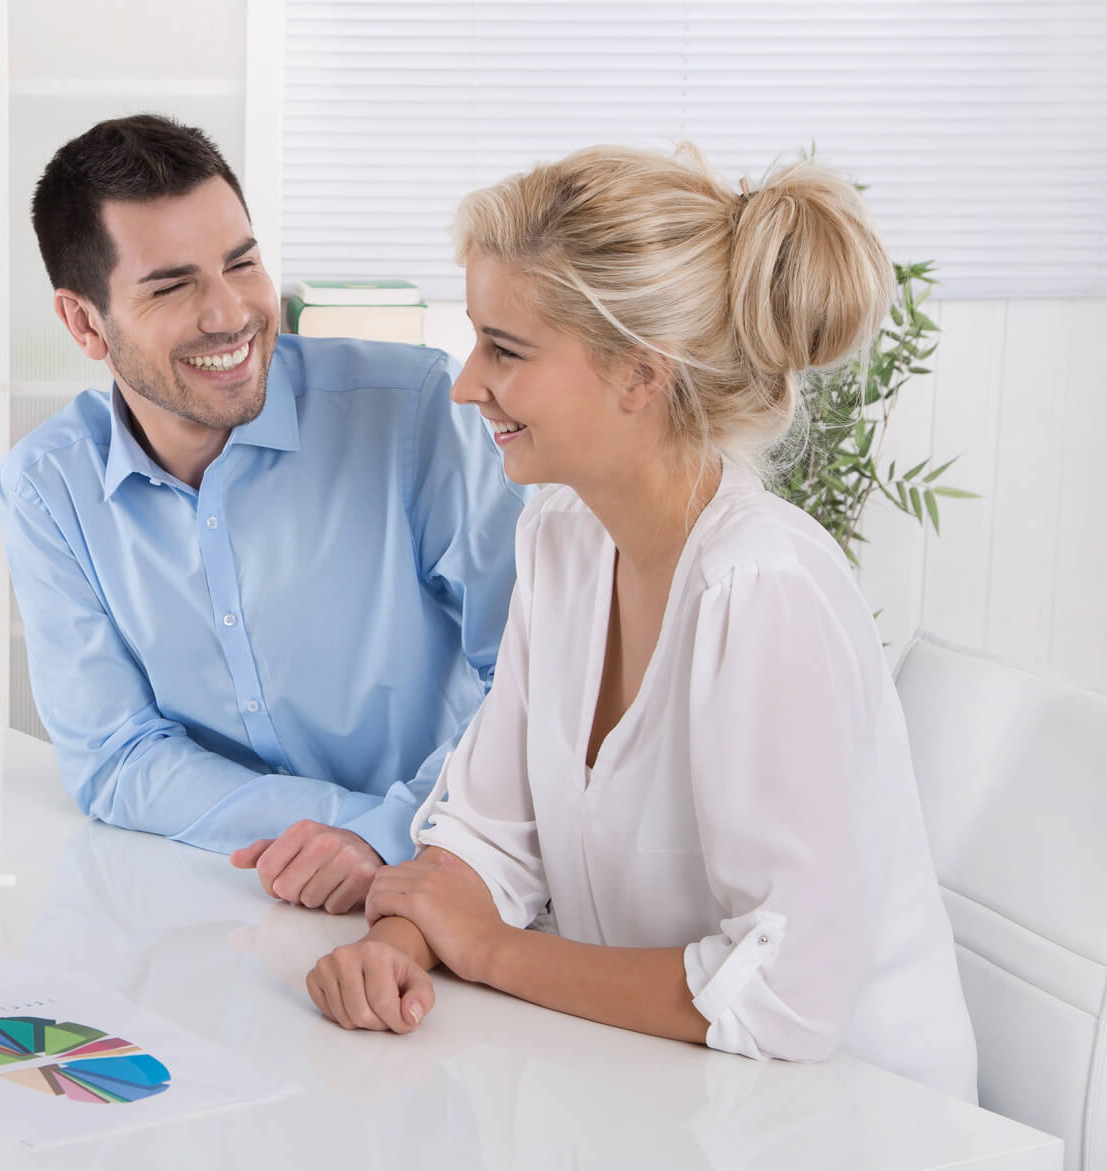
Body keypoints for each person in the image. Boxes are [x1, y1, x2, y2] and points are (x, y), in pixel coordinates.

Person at [305, 144, 977, 1099]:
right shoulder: (562, 540)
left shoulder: (759, 588)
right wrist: (398, 943)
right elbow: (488, 832)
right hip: (677, 1092)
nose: (465, 383)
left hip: (862, 1116)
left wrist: (488, 950)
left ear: (639, 375)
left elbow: (784, 995)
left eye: (507, 347)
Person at [0, 115, 527, 915]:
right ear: (83, 323)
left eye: (241, 263)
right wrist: (341, 831)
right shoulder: (47, 488)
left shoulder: (417, 412)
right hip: (223, 897)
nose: (229, 314)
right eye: (173, 285)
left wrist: (392, 833)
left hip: (455, 878)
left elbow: (529, 682)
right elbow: (115, 755)